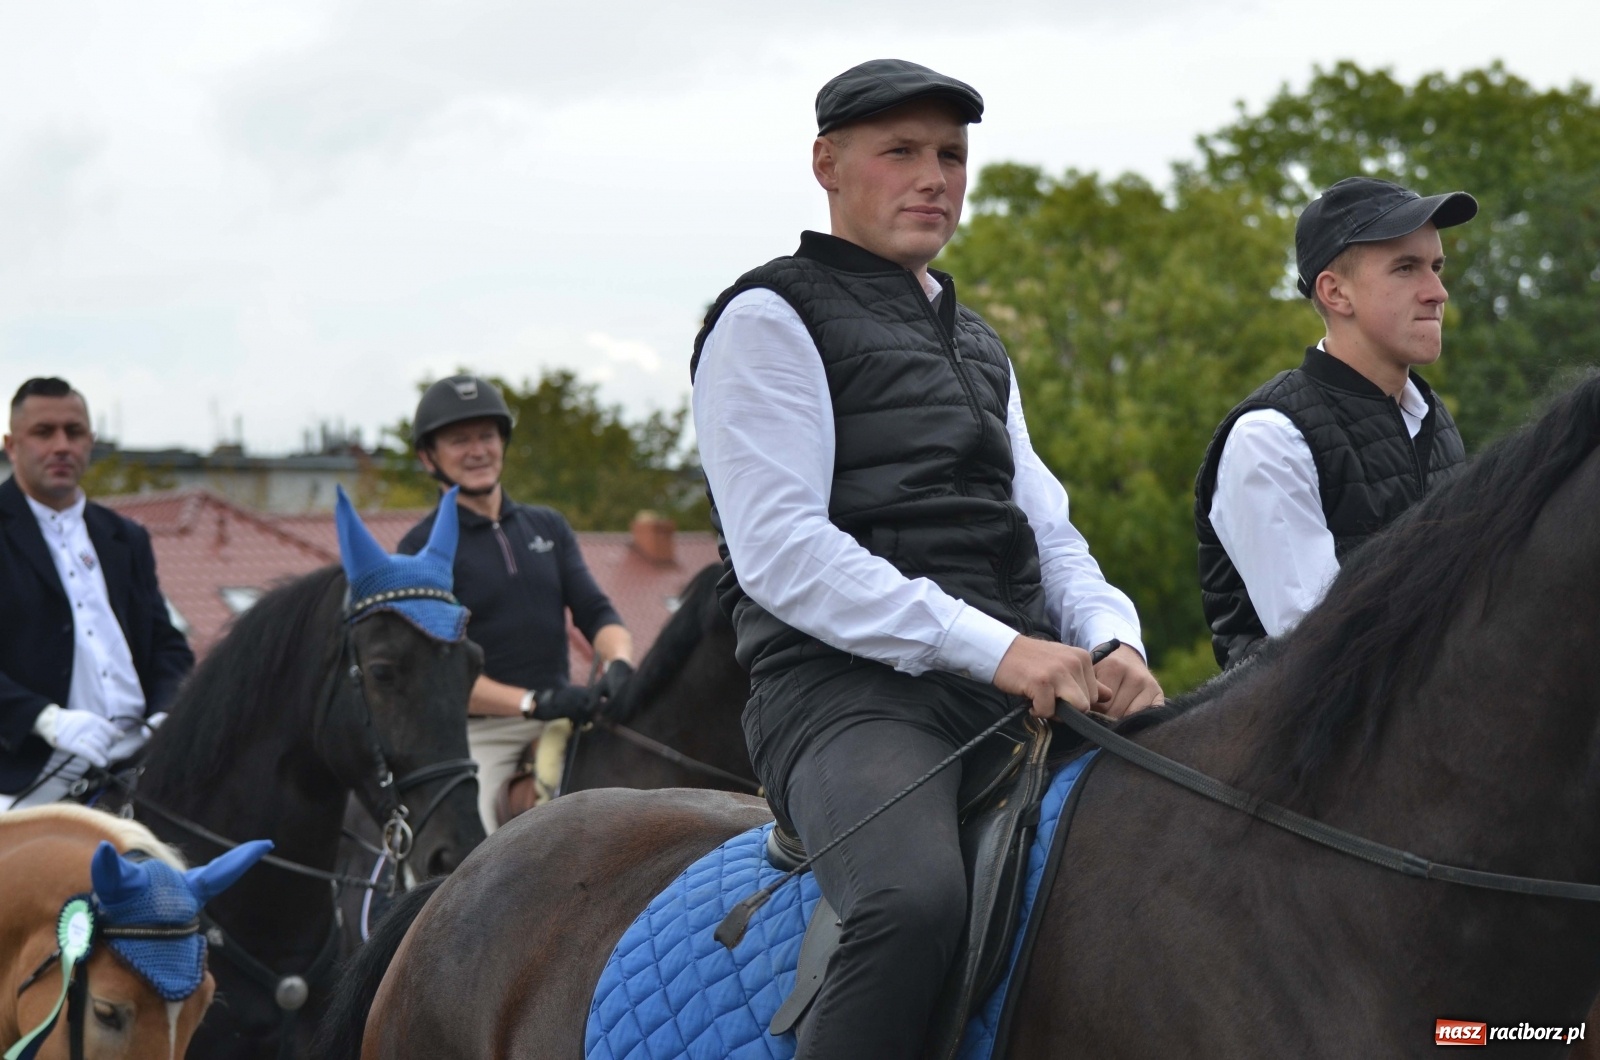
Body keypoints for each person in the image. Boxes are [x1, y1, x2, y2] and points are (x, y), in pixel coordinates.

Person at [691, 59, 1163, 1060]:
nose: (933, 177)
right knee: (910, 903)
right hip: (846, 697)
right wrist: (999, 649)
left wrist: (1110, 636)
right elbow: (782, 551)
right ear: (826, 164)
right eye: (900, 152)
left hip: (1011, 683)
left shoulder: (979, 341)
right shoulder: (768, 317)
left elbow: (1048, 530)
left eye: (950, 155)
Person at [1195, 177, 1478, 669]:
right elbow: (1322, 649)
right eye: (1406, 268)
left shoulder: (1431, 417)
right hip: (1307, 720)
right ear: (1335, 292)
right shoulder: (1270, 439)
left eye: (1435, 267)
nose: (1437, 292)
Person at [398, 374, 633, 833]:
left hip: (566, 713)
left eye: (486, 436)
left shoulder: (548, 526)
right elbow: (437, 672)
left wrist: (620, 663)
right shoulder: (419, 550)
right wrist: (531, 702)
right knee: (477, 842)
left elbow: (595, 611)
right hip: (486, 732)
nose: (478, 450)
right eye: (460, 441)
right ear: (428, 458)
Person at [0, 377, 194, 809]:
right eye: (44, 432)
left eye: (74, 432)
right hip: (29, 768)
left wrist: (167, 712)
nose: (62, 446)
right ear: (12, 445)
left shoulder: (124, 537)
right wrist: (45, 719)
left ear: (90, 441)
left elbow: (167, 645)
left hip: (141, 759)